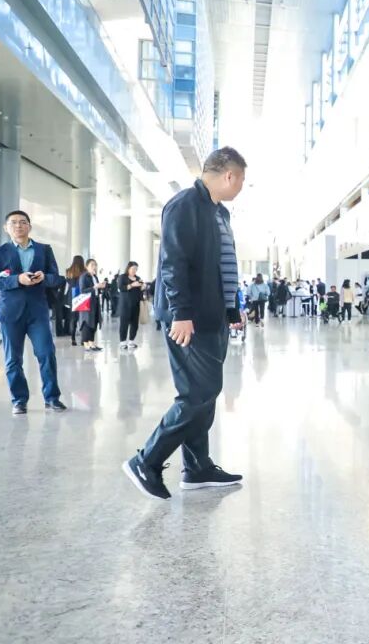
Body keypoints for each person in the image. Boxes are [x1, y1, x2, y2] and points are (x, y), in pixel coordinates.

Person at [123, 146, 247, 500]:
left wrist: (231, 311)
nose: (241, 186)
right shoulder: (185, 205)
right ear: (229, 175)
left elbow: (221, 264)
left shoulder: (219, 211)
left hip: (213, 316)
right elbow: (172, 263)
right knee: (198, 394)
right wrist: (180, 312)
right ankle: (146, 460)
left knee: (204, 394)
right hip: (190, 317)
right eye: (241, 179)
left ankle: (197, 467)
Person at [0, 210, 67, 414]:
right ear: (6, 228)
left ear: (29, 226)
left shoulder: (44, 250)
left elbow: (56, 278)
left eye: (23, 222)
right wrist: (17, 279)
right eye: (14, 222)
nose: (18, 226)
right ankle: (19, 400)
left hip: (37, 311)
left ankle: (52, 398)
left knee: (46, 353)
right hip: (9, 313)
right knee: (13, 359)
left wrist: (45, 278)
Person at [78, 259, 105, 352]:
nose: (94, 267)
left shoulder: (95, 277)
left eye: (95, 265)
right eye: (92, 265)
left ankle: (92, 343)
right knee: (87, 322)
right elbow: (82, 290)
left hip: (95, 301)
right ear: (87, 266)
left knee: (94, 321)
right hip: (87, 303)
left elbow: (96, 290)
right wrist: (95, 287)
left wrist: (101, 287)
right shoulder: (84, 276)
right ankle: (86, 344)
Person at [118, 261, 146, 349]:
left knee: (135, 324)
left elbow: (140, 291)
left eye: (136, 269)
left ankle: (131, 341)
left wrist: (142, 287)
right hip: (125, 305)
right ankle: (122, 342)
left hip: (136, 304)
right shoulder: (122, 277)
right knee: (124, 323)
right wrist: (132, 285)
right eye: (133, 268)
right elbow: (121, 288)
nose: (134, 271)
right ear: (128, 268)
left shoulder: (138, 278)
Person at [64, 255, 86, 346]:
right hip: (82, 296)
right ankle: (83, 339)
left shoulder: (68, 271)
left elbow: (67, 286)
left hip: (72, 296)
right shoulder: (84, 271)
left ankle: (73, 339)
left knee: (73, 319)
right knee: (82, 318)